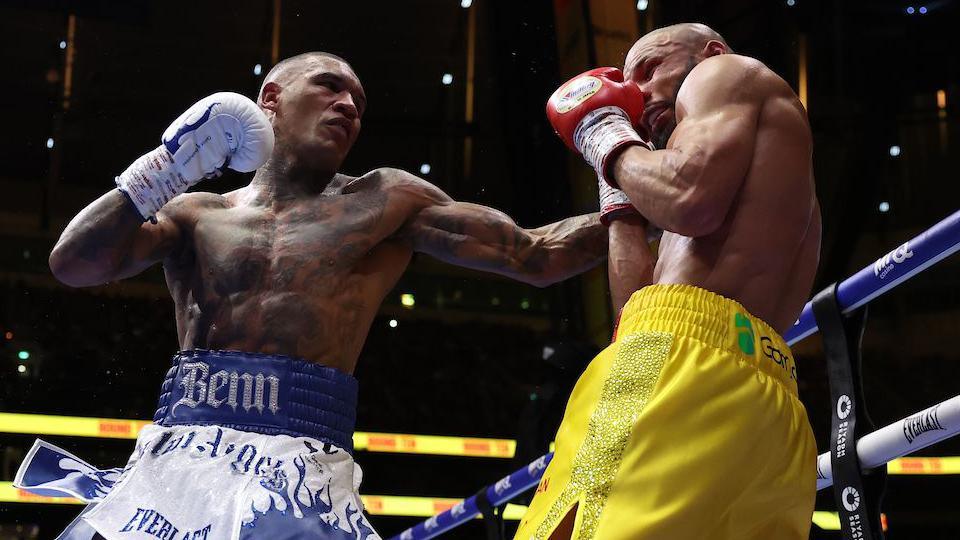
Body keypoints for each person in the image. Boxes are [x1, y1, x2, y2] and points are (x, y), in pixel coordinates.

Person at [18, 52, 613, 540]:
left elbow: (534, 255)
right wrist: (165, 170)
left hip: (301, 468)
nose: (349, 106)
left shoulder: (384, 202)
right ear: (269, 100)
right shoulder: (196, 211)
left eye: (358, 101)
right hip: (179, 460)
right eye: (329, 87)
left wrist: (642, 193)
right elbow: (74, 264)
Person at [517, 23, 821, 539]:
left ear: (711, 51)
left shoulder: (724, 73)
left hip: (679, 370)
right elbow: (634, 311)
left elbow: (688, 199)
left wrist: (605, 139)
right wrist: (615, 187)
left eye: (651, 69)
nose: (636, 92)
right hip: (769, 400)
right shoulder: (766, 174)